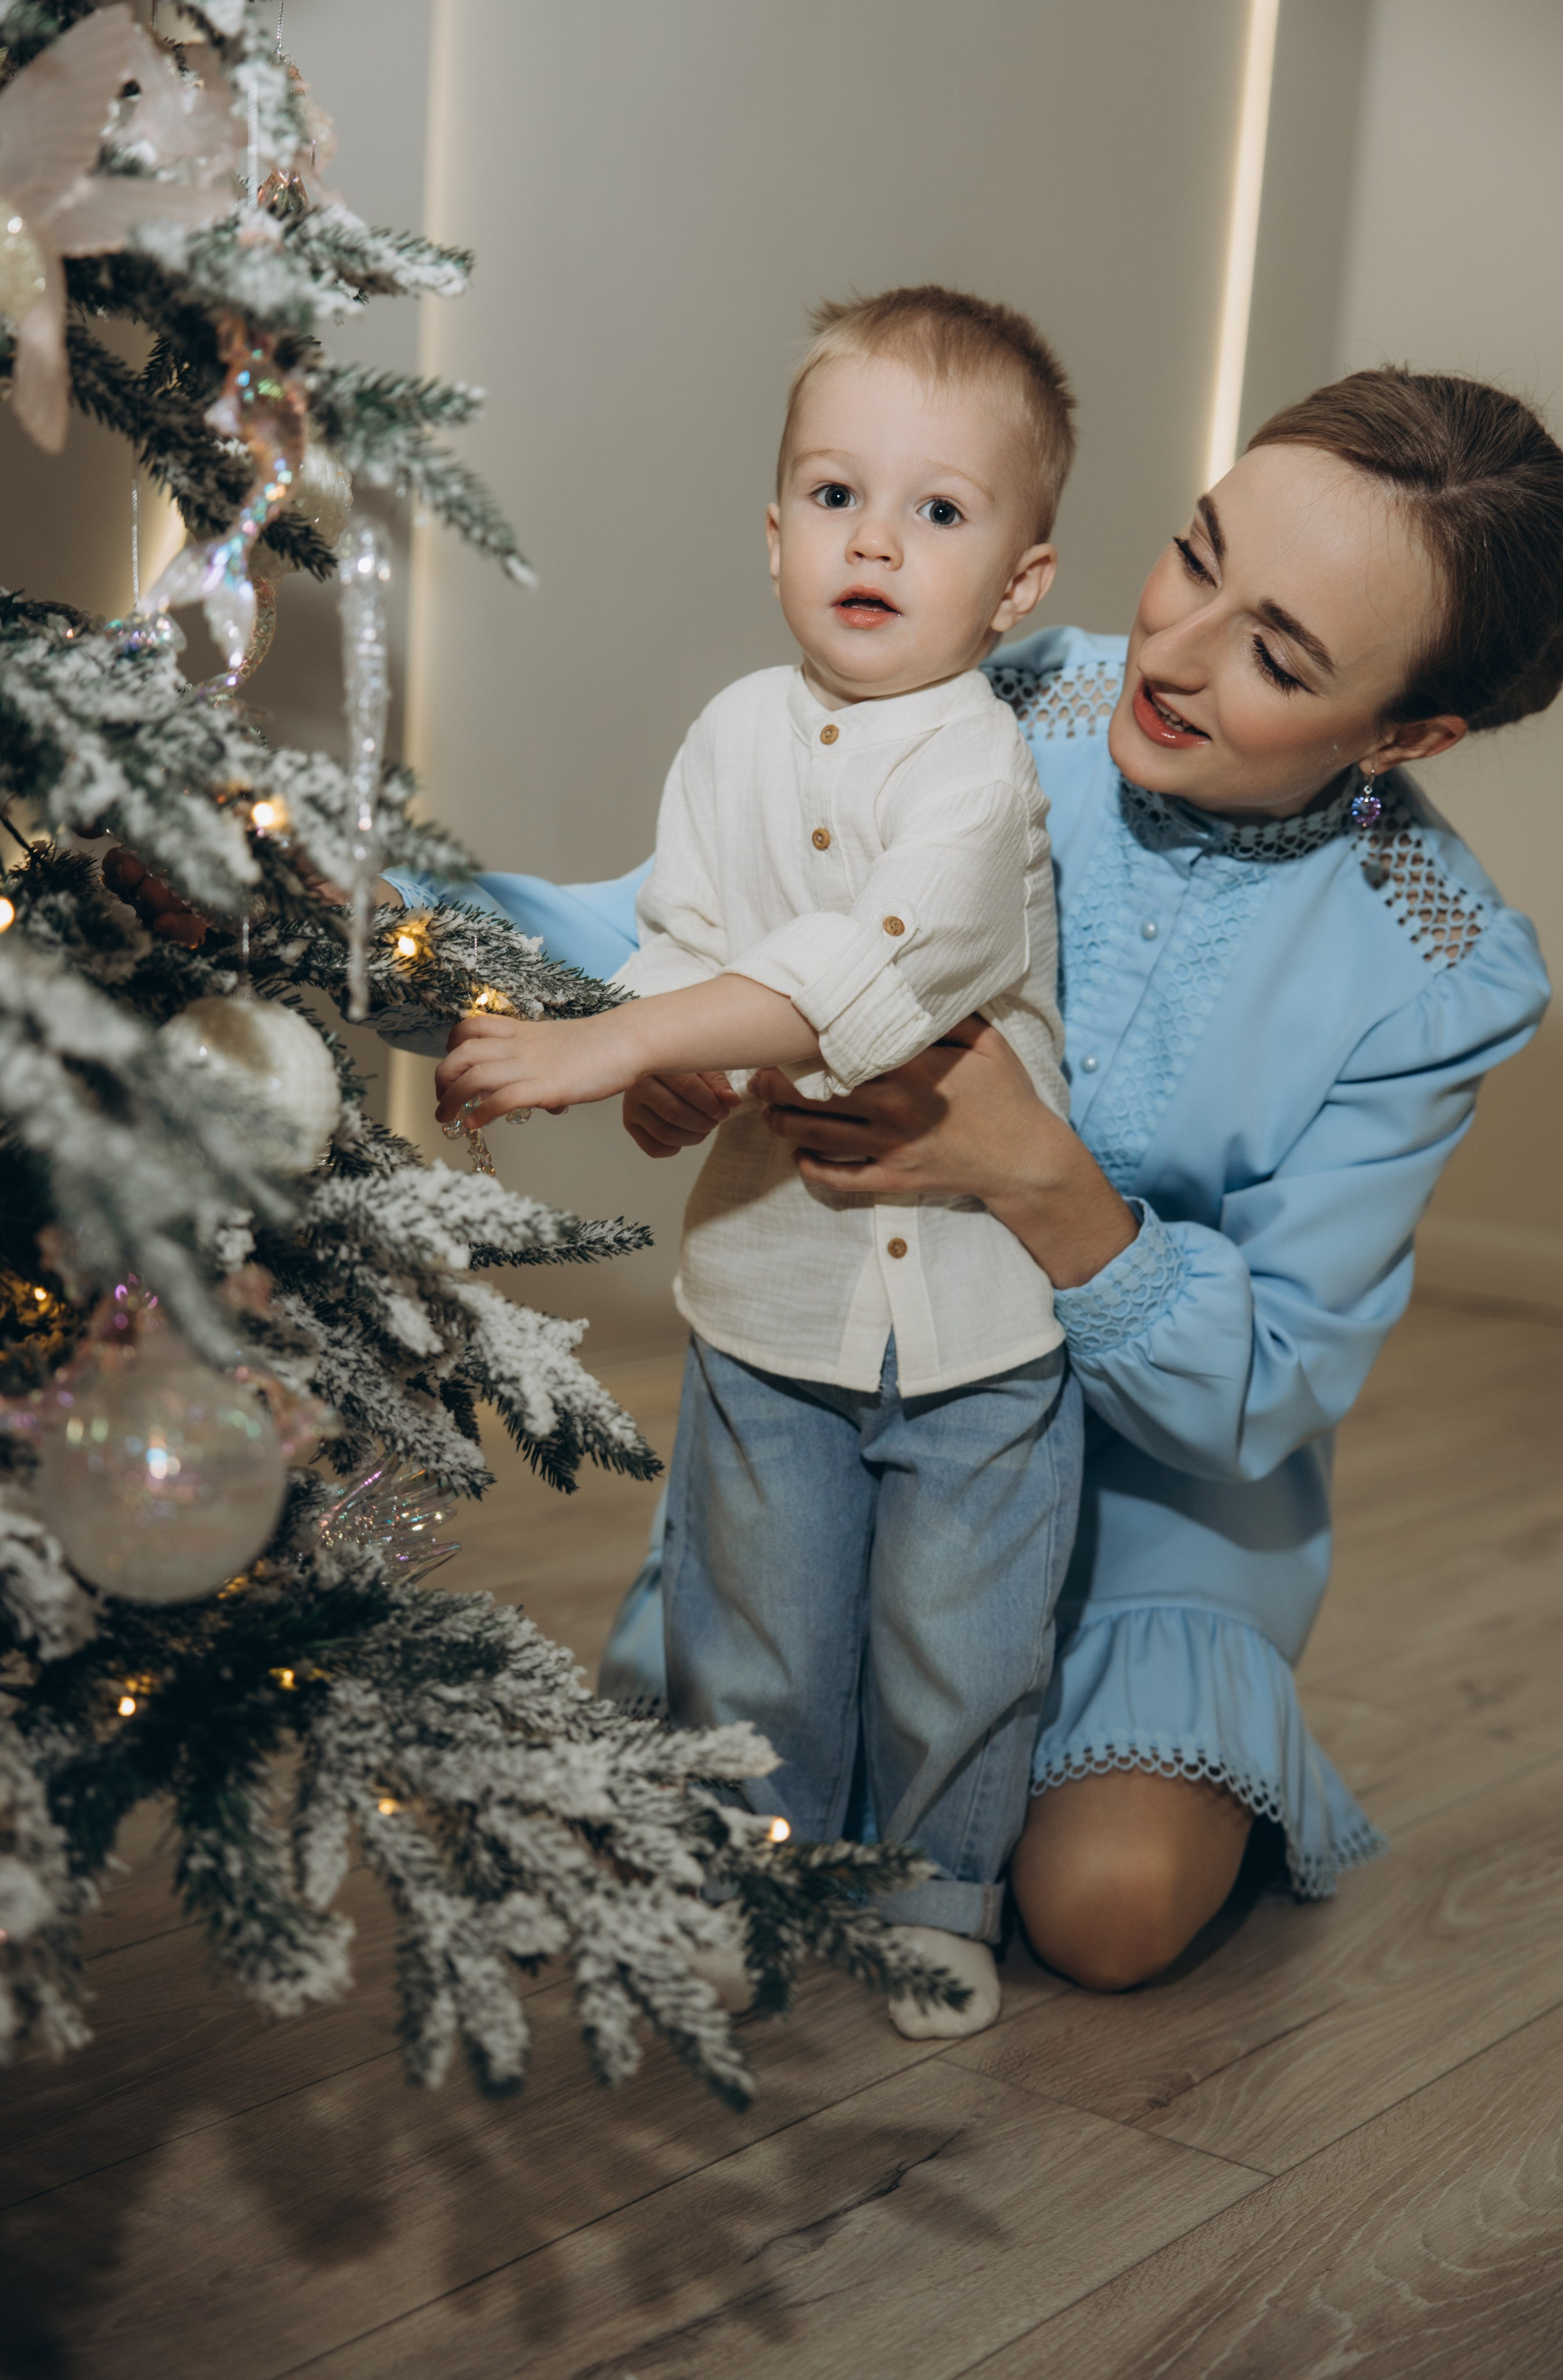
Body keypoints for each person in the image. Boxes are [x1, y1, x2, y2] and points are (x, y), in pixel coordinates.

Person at [383, 365, 1563, 1997]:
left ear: (1407, 732)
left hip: (1162, 1505)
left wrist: (1038, 1175)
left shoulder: (1441, 972)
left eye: (1279, 654)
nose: (1175, 651)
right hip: (857, 1403)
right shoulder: (997, 700)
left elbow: (1278, 1387)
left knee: (1105, 1914)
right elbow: (674, 923)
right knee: (713, 1806)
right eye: (1196, 556)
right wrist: (396, 924)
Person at [431, 289, 1085, 2041]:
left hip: (974, 1316)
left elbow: (873, 964)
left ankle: (944, 1892)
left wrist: (610, 1043)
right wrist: (678, 1067)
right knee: (765, 1625)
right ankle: (756, 1865)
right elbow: (692, 941)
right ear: (776, 527)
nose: (876, 540)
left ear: (1017, 584)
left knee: (961, 1637)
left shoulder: (982, 770)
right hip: (771, 1297)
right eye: (833, 494)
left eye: (939, 513)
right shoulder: (731, 732)